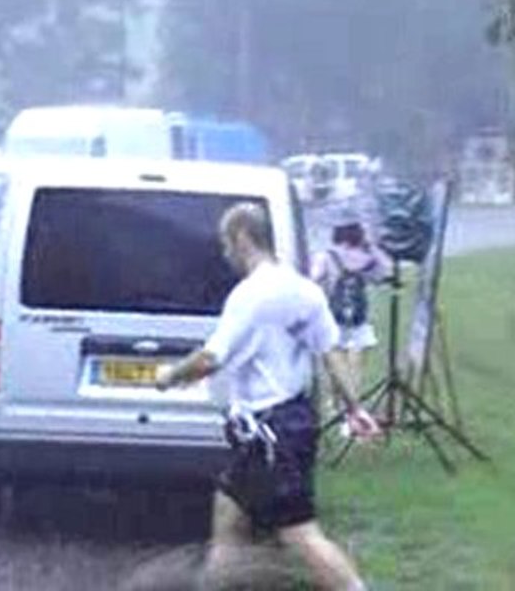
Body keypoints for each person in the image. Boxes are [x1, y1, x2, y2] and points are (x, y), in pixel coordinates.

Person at [155, 202, 380, 591]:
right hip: (283, 427)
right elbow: (331, 354)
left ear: (242, 237)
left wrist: (169, 376)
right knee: (228, 522)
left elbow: (211, 358)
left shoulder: (250, 295)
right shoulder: (306, 291)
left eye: (227, 244)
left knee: (301, 534)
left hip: (271, 435)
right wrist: (355, 408)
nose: (226, 254)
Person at [310, 214, 392, 436]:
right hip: (358, 322)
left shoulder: (326, 256)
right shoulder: (364, 258)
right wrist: (372, 248)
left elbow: (313, 281)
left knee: (335, 371)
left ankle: (335, 409)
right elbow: (386, 272)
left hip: (331, 322)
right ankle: (352, 416)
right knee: (354, 372)